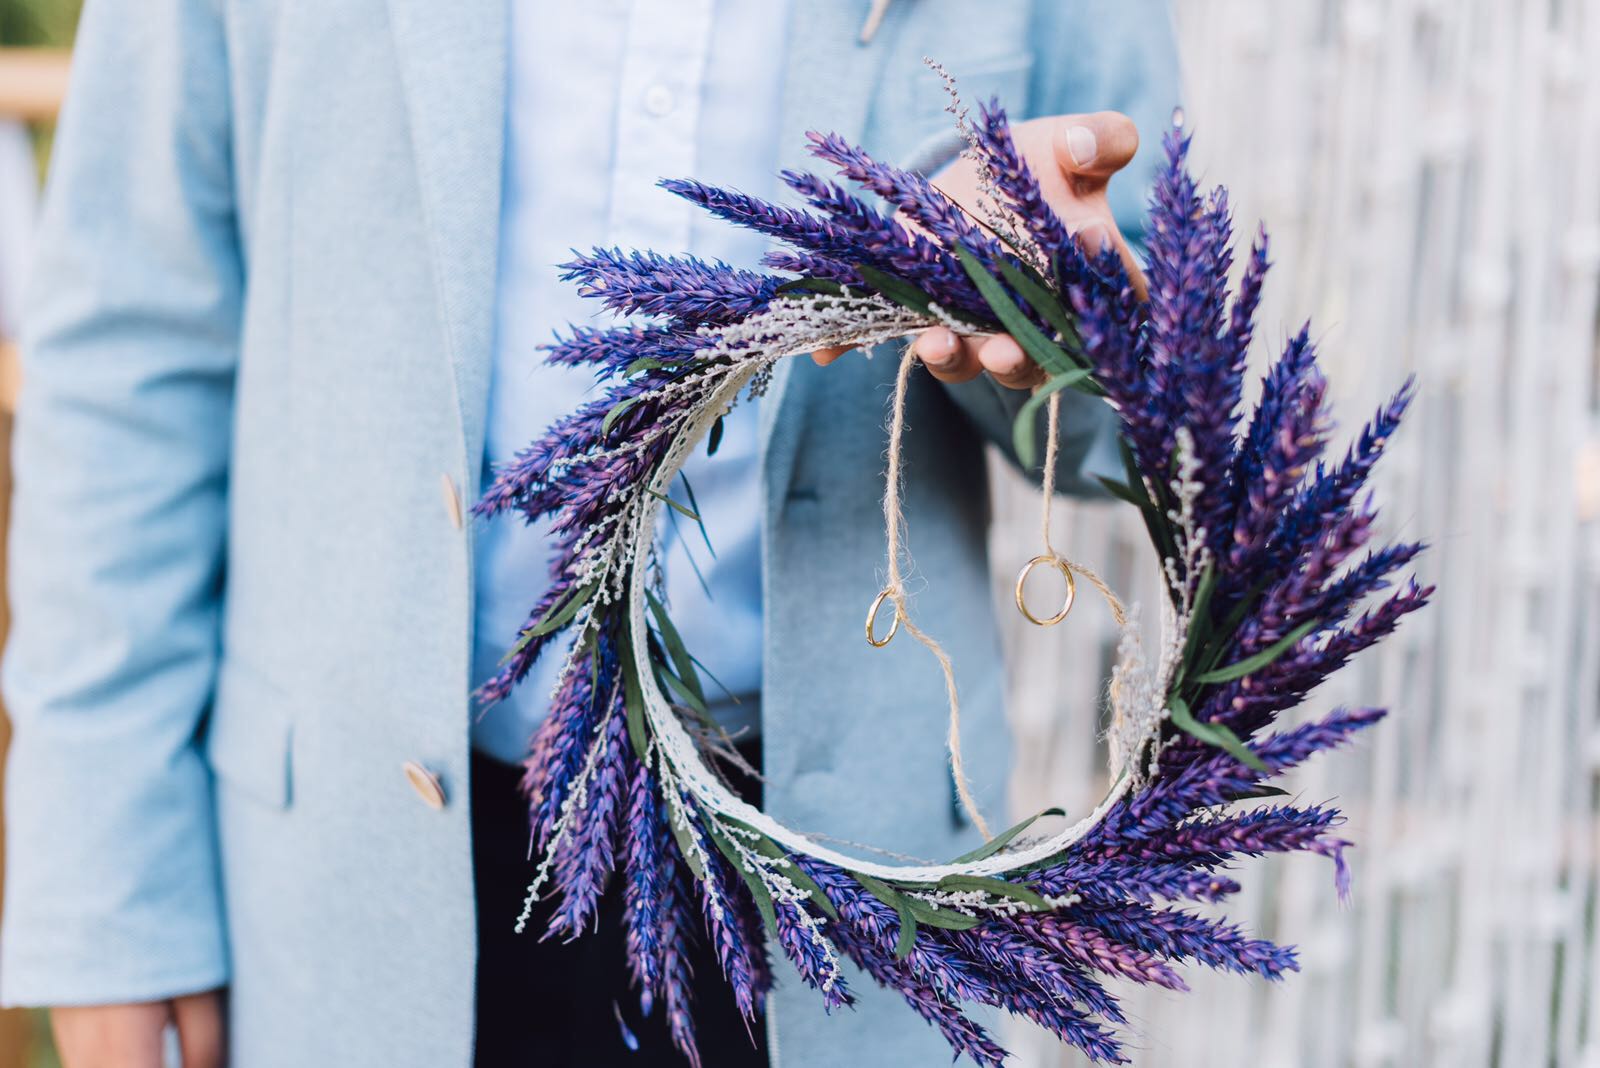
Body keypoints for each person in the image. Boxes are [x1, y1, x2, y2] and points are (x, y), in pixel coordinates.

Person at [0, 1, 1178, 1064]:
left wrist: (1036, 304)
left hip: (837, 887)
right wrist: (109, 886)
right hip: (353, 877)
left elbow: (1161, 412)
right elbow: (135, 347)